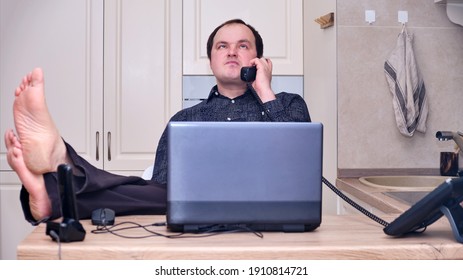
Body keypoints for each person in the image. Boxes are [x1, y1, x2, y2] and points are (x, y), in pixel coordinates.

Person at [4, 19, 311, 225]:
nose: (232, 51)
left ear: (259, 59)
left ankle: (60, 172)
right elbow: (160, 188)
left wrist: (265, 90)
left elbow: (301, 166)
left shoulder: (287, 104)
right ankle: (51, 192)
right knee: (152, 192)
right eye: (222, 46)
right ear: (210, 61)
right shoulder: (183, 120)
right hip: (197, 210)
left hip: (272, 206)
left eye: (243, 46)